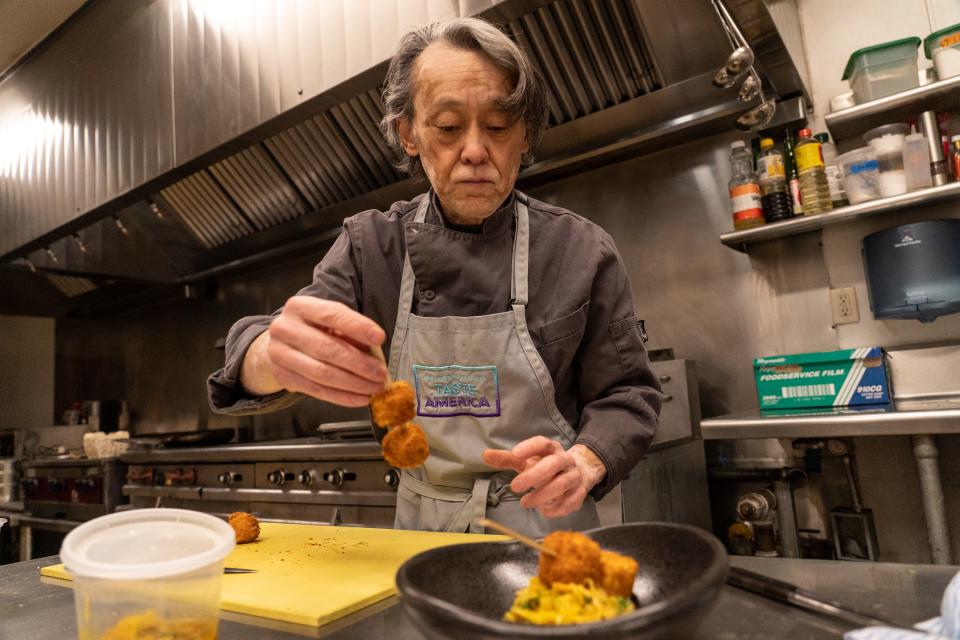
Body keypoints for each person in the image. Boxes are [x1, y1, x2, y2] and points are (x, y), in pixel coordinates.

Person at [209, 17, 662, 537]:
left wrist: (585, 460)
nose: (474, 150)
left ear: (526, 136)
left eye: (497, 127)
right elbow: (267, 339)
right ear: (409, 134)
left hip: (548, 529)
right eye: (448, 127)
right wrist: (270, 356)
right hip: (420, 535)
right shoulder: (371, 248)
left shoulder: (580, 252)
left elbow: (628, 395)